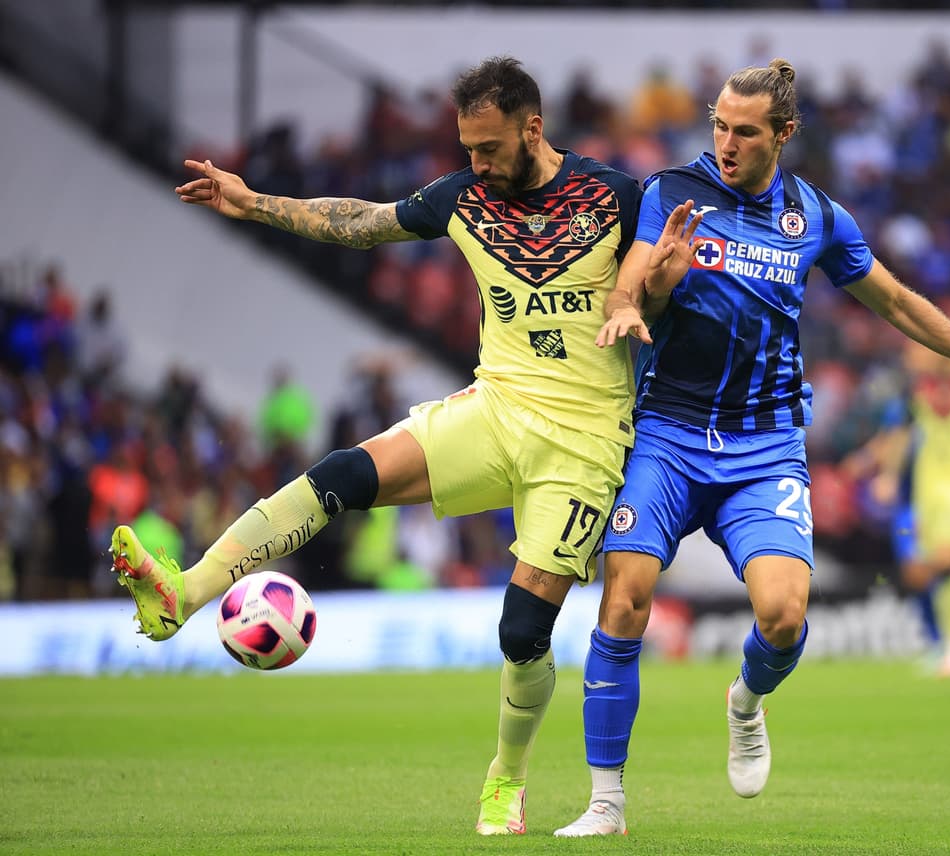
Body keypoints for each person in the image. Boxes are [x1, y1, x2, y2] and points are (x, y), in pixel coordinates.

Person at [108, 56, 642, 837]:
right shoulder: (463, 199)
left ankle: (507, 776)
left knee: (522, 631)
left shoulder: (617, 197)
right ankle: (184, 593)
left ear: (534, 128)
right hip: (496, 411)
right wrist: (254, 203)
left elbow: (670, 281)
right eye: (466, 148)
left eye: (489, 148)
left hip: (584, 445)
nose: (476, 164)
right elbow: (363, 222)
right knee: (343, 473)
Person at [554, 59, 950, 837]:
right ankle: (605, 804)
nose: (725, 143)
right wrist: (639, 297)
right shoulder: (674, 192)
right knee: (624, 599)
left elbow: (897, 302)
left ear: (784, 133)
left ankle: (746, 701)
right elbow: (631, 282)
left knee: (784, 616)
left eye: (744, 131)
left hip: (763, 447)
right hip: (669, 433)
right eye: (719, 125)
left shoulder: (816, 217)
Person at [848, 339, 950, 677]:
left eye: (918, 348)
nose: (910, 356)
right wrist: (888, 476)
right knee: (929, 566)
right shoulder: (916, 391)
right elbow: (899, 436)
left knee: (947, 556)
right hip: (928, 492)